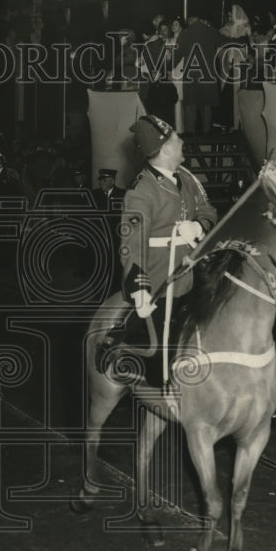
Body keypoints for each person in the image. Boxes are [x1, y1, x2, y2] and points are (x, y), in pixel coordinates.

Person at [98, 115, 217, 386]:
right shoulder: (141, 191)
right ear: (165, 149)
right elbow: (131, 244)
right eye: (177, 138)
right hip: (161, 275)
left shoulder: (186, 178)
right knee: (162, 349)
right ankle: (156, 390)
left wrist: (198, 226)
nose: (182, 141)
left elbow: (207, 209)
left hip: (194, 267)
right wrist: (140, 290)